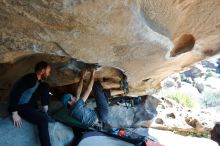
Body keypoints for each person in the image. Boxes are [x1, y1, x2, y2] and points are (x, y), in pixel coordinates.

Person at [8, 61, 52, 146]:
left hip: (27, 104)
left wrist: (45, 104)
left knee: (45, 85)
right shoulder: (31, 78)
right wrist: (14, 113)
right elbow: (16, 92)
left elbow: (44, 89)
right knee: (43, 120)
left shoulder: (37, 81)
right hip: (19, 106)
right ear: (42, 70)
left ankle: (44, 109)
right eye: (48, 71)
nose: (49, 74)